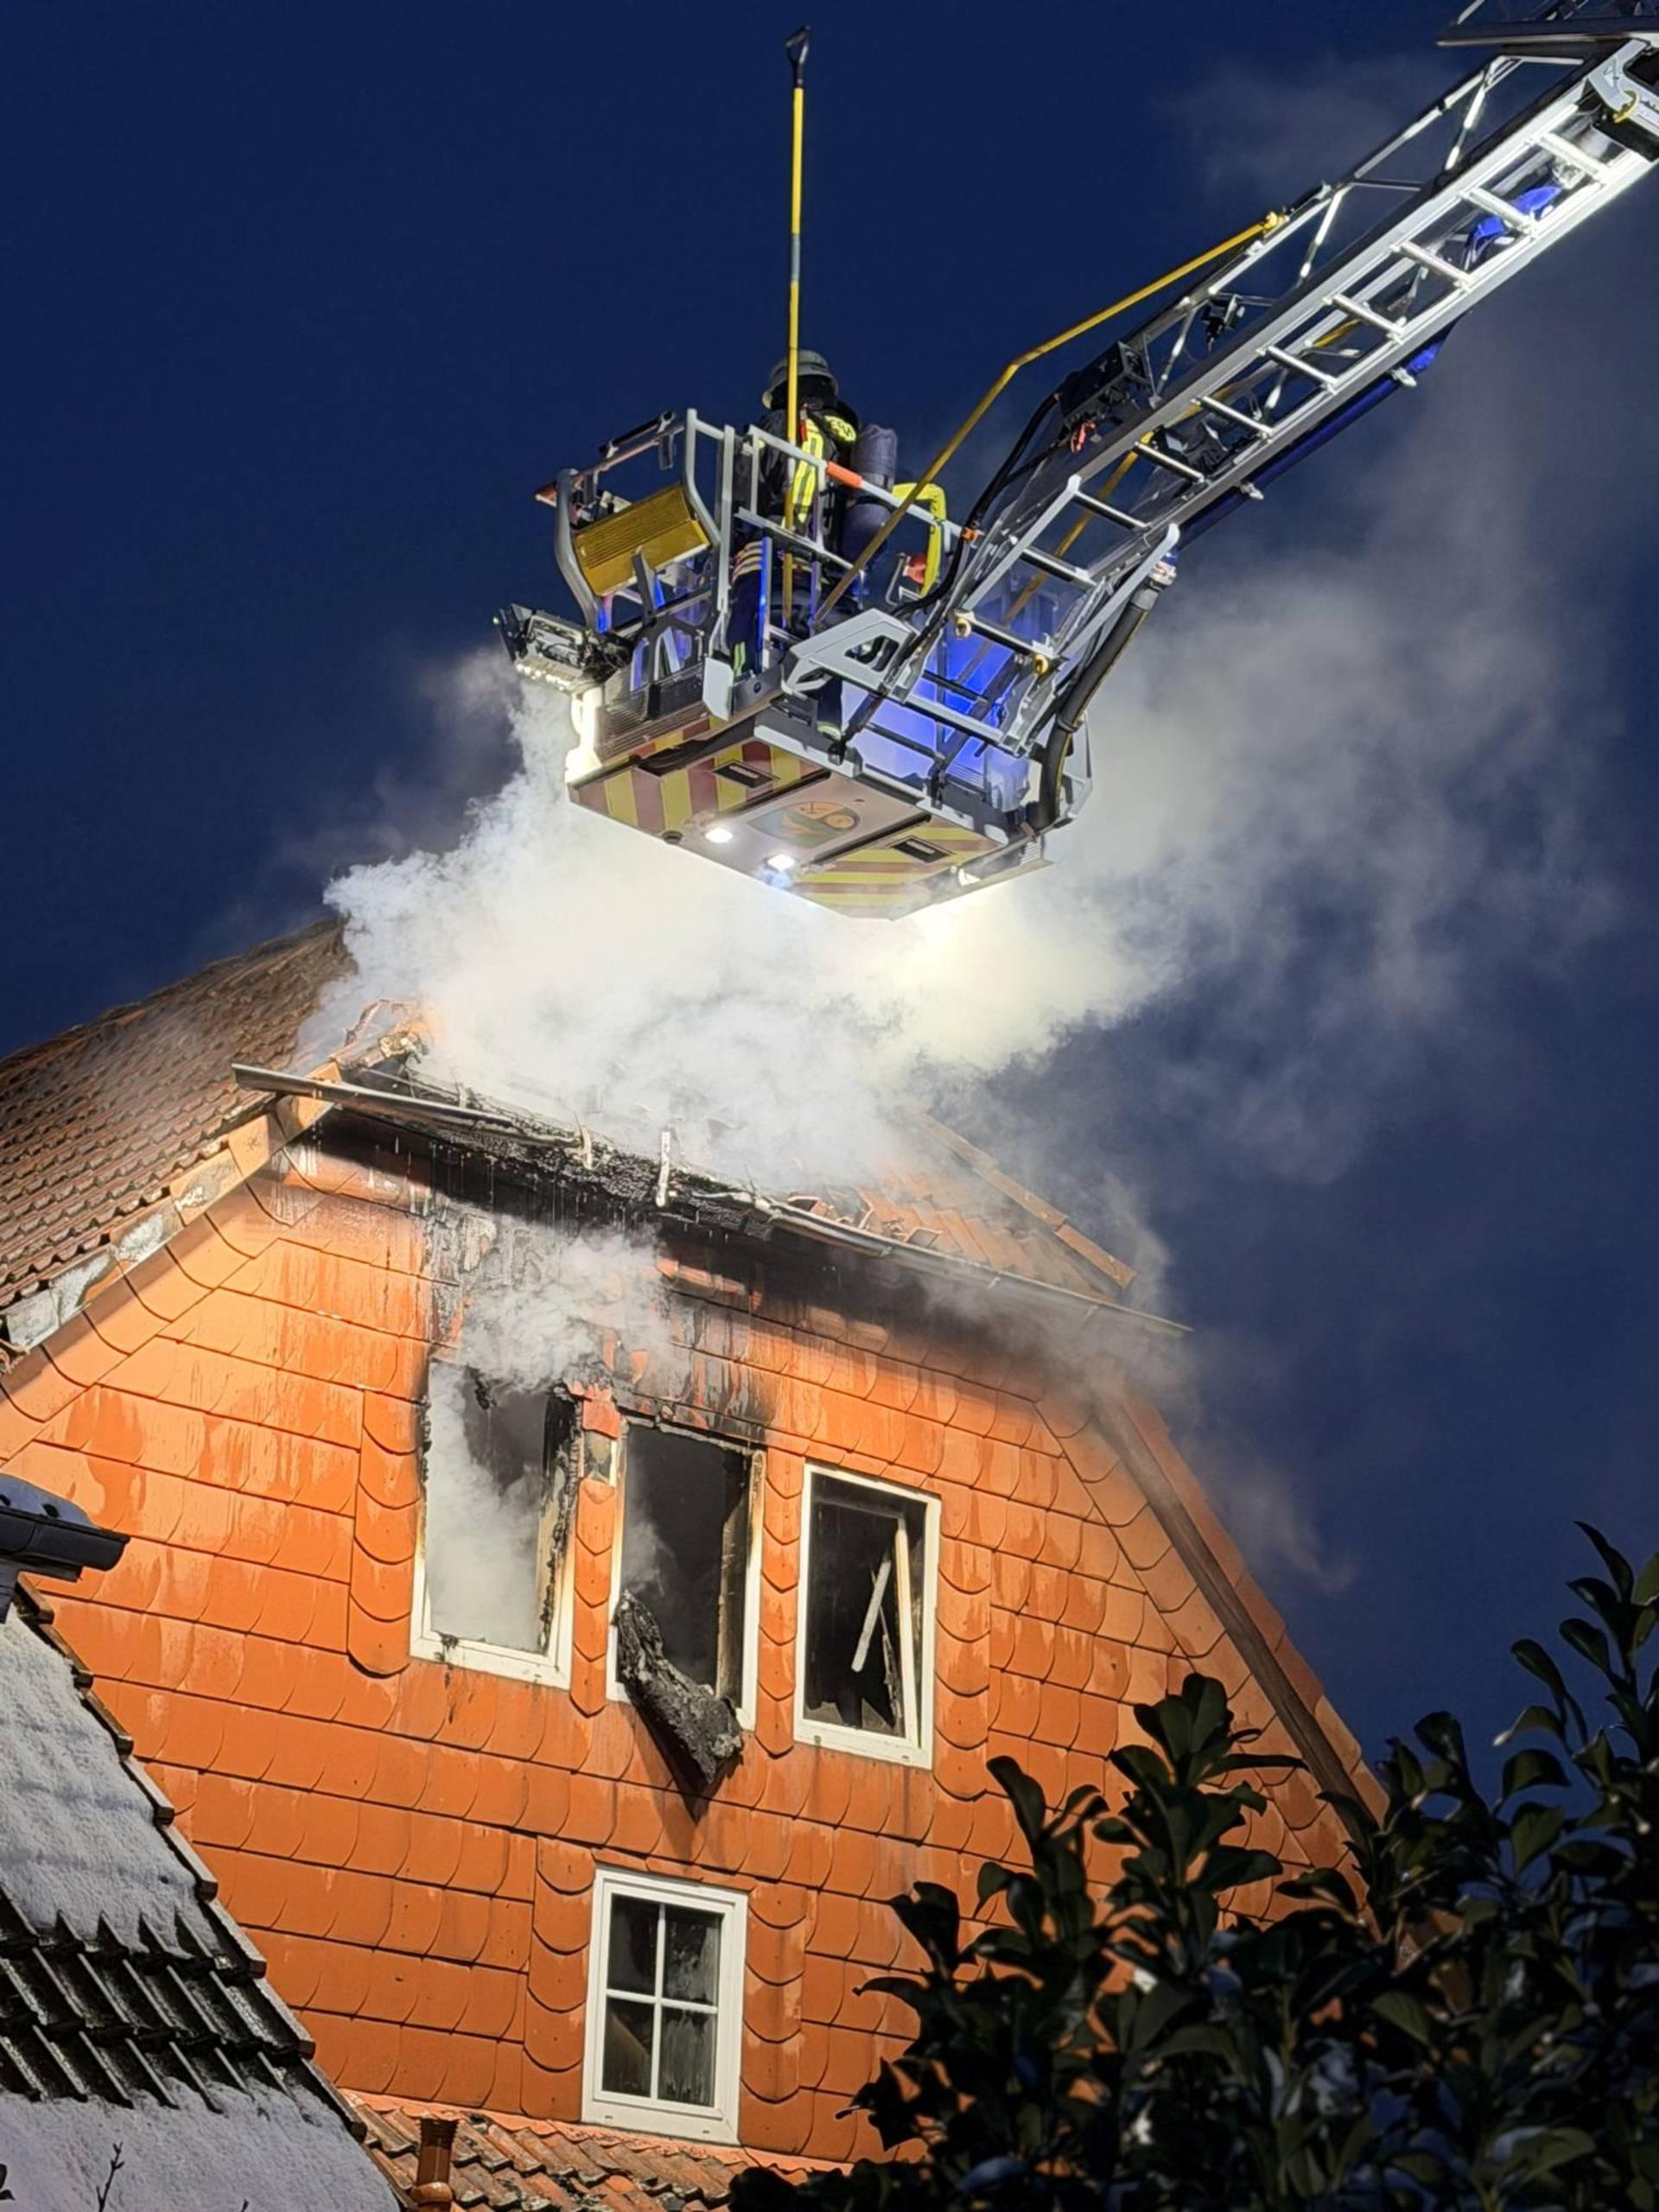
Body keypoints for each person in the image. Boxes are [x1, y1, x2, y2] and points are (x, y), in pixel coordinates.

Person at [728, 352, 864, 676]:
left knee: (748, 628)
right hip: (830, 567)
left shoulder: (778, 425)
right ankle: (828, 721)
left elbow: (746, 488)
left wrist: (727, 545)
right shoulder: (852, 445)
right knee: (822, 651)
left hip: (771, 551)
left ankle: (742, 682)